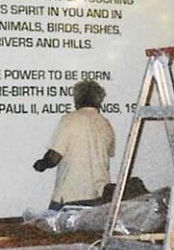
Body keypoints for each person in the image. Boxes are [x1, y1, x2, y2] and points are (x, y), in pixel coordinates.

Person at [33, 79, 115, 209]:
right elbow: (106, 154)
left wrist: (41, 164)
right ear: (99, 101)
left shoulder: (69, 120)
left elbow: (54, 157)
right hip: (99, 197)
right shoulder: (106, 124)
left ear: (77, 100)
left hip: (70, 196)